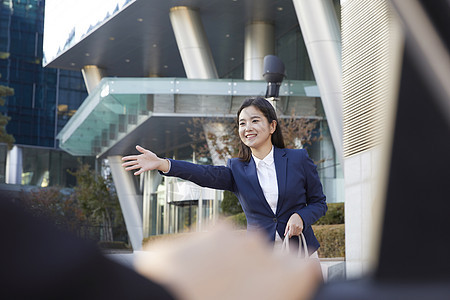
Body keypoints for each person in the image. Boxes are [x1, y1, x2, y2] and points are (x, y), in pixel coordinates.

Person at [122, 96, 327, 256]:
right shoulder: (237, 169)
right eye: (242, 123)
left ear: (272, 126)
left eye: (255, 121)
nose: (248, 128)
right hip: (259, 256)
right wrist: (163, 163)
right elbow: (204, 174)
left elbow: (319, 203)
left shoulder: (298, 159)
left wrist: (300, 216)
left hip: (301, 252)